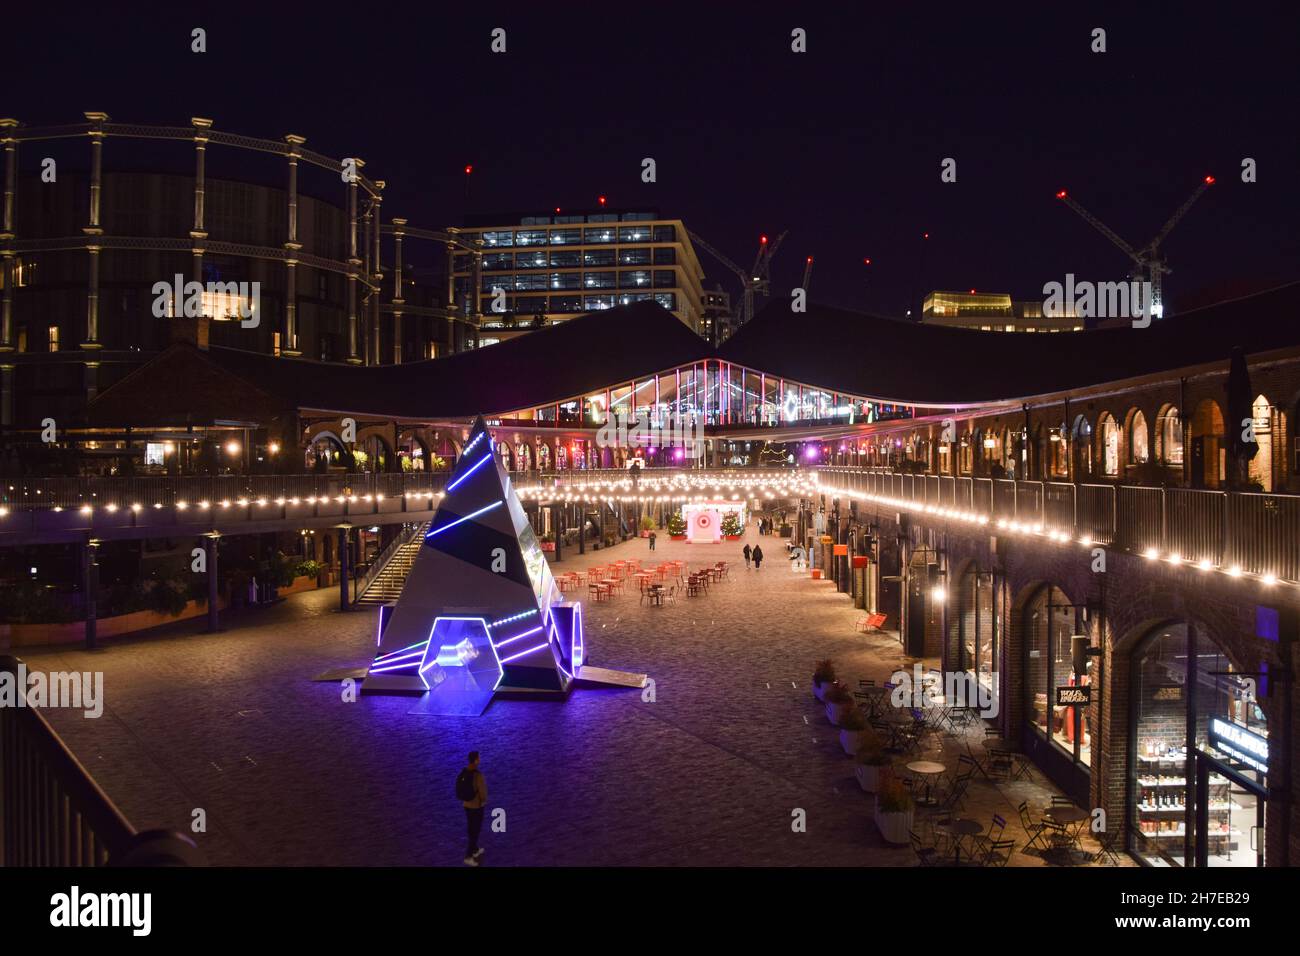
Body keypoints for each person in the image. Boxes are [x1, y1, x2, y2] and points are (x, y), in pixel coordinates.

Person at [457, 751, 488, 865]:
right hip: (476, 806)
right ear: (476, 760)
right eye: (478, 758)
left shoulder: (465, 772)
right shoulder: (478, 775)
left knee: (471, 828)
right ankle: (468, 856)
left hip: (466, 805)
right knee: (475, 830)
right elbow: (483, 792)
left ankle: (475, 849)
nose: (479, 759)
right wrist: (484, 801)